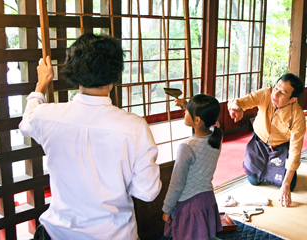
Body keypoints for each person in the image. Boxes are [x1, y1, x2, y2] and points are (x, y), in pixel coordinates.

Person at [19, 33, 162, 240]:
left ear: (74, 73)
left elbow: (26, 122)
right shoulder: (134, 127)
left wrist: (42, 83)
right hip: (115, 234)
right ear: (115, 76)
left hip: (59, 232)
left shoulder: (46, 116)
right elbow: (147, 192)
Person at [228, 73, 306, 207]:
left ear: (292, 99)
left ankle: (280, 174)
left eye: (282, 93)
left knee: (289, 185)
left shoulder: (297, 115)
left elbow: (295, 150)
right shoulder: (266, 94)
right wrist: (237, 107)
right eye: (276, 88)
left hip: (280, 148)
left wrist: (286, 184)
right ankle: (267, 170)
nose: (275, 95)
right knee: (254, 181)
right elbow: (242, 101)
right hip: (259, 143)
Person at [162, 94, 223, 240]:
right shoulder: (217, 136)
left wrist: (167, 209)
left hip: (189, 204)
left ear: (197, 120)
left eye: (188, 111)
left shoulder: (187, 147)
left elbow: (177, 183)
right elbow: (213, 121)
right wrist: (186, 105)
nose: (184, 112)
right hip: (207, 199)